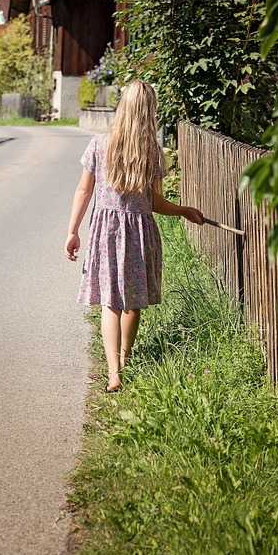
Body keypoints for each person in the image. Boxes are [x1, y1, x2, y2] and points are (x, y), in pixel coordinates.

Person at [64, 79, 203, 393]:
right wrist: (183, 210)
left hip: (106, 232)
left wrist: (73, 230)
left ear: (122, 107)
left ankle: (113, 372)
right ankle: (125, 360)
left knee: (109, 303)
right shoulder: (151, 152)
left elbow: (84, 191)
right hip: (139, 232)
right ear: (149, 111)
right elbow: (155, 202)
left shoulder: (99, 144)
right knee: (132, 301)